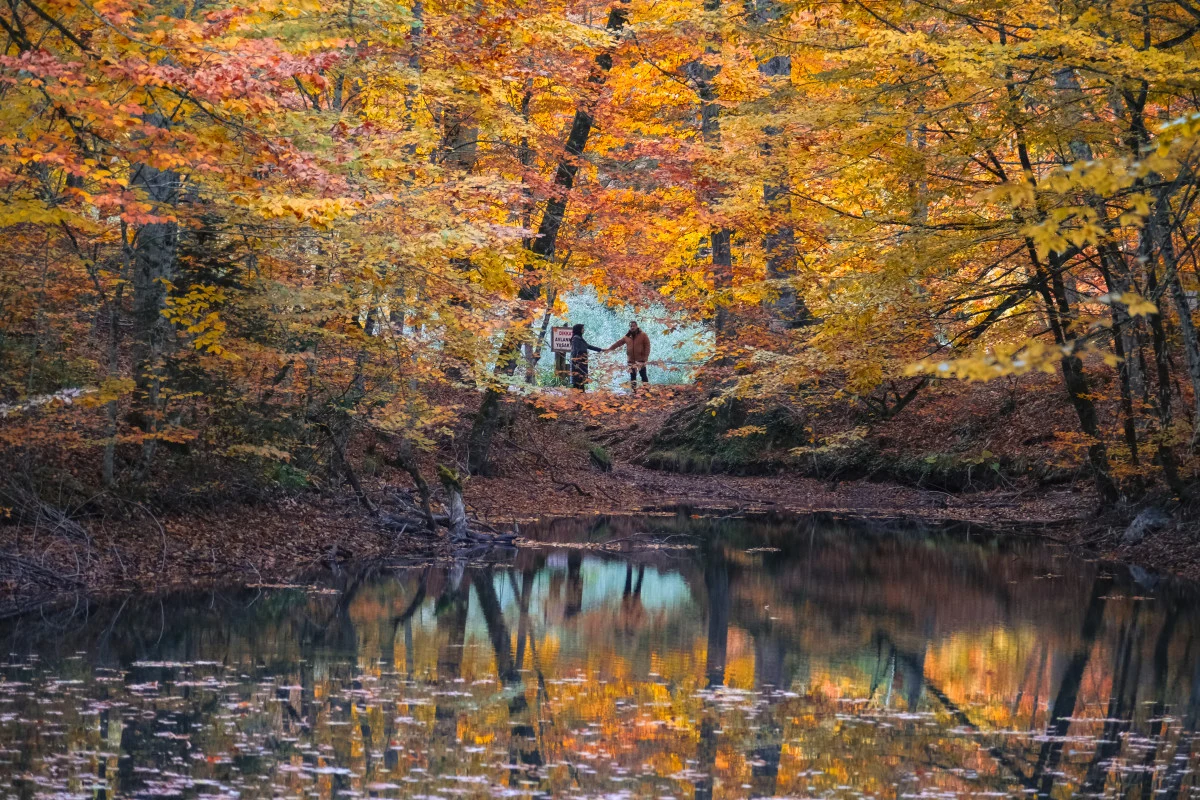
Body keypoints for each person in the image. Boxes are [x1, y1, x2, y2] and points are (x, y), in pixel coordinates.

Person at [609, 320, 651, 389]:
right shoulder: (627, 336)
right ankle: (634, 392)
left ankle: (646, 391)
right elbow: (618, 343)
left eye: (634, 326)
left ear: (637, 326)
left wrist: (645, 357)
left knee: (643, 376)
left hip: (641, 360)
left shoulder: (643, 335)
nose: (632, 327)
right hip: (631, 361)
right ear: (629, 327)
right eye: (631, 326)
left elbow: (647, 346)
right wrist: (609, 349)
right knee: (633, 377)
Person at [569, 323, 603, 391]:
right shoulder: (576, 338)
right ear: (579, 330)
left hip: (581, 363)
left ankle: (580, 397)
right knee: (578, 382)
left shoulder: (579, 338)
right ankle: (578, 398)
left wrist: (601, 349)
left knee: (581, 381)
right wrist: (575, 362)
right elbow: (574, 351)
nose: (583, 330)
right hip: (578, 364)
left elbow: (588, 346)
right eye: (582, 328)